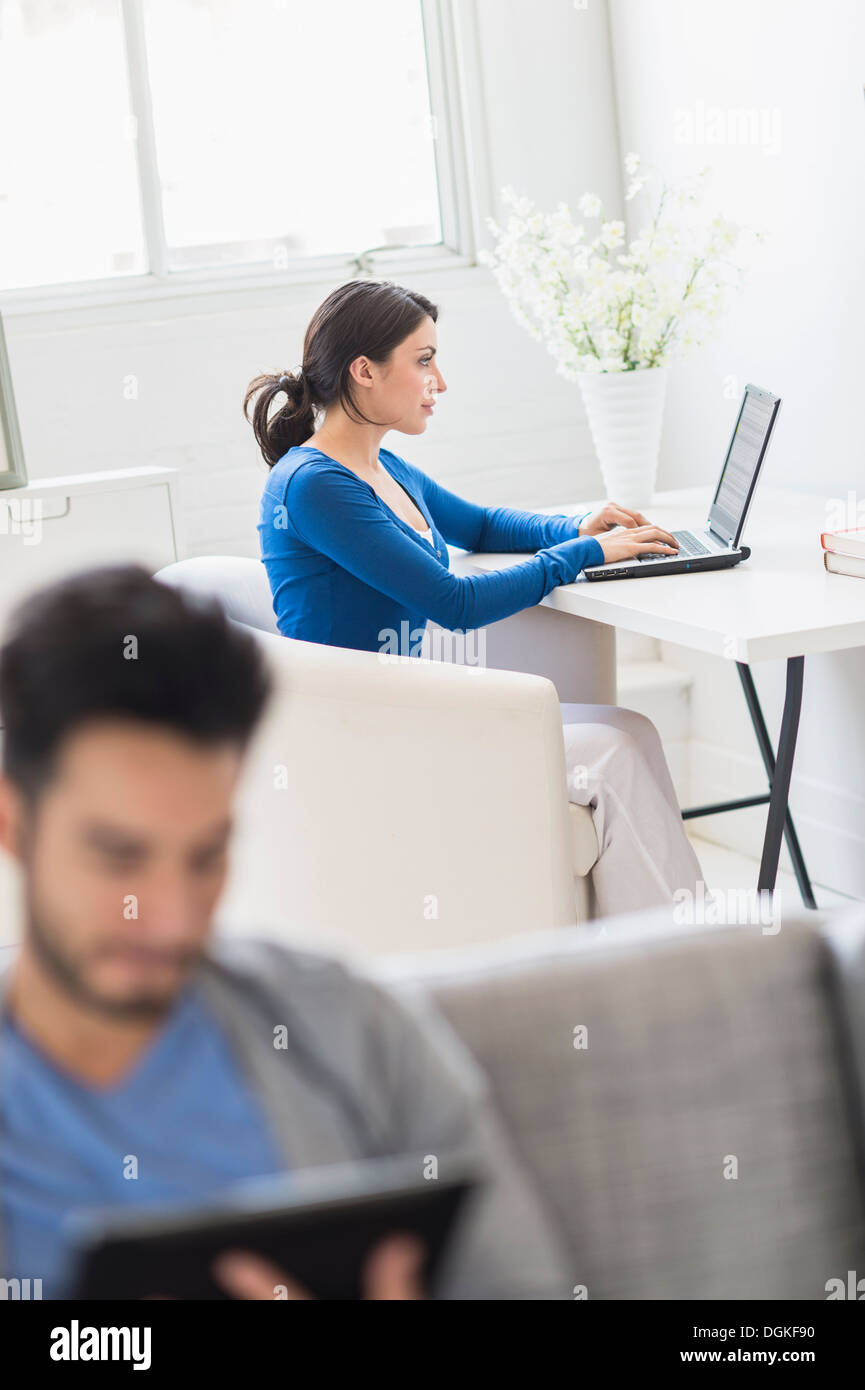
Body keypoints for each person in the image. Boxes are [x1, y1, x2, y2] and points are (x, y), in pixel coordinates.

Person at [0, 565, 570, 1301]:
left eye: (206, 856)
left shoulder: (353, 1028)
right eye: (119, 857)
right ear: (14, 825)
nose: (171, 917)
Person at [245, 278, 705, 913]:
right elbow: (453, 602)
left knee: (630, 733)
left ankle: (656, 947)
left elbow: (481, 525)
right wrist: (583, 557)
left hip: (405, 710)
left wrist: (579, 526)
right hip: (363, 734)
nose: (440, 382)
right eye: (424, 361)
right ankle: (685, 952)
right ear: (365, 371)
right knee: (615, 749)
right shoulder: (315, 486)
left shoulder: (380, 466)